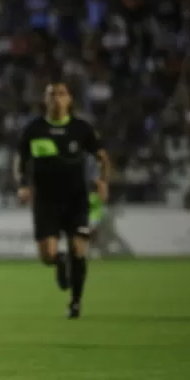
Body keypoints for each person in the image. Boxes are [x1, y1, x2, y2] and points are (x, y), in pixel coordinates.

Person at [14, 81, 111, 319]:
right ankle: (60, 262)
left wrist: (103, 180)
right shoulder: (34, 129)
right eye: (52, 94)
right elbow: (19, 160)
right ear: (45, 100)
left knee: (79, 250)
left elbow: (102, 158)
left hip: (76, 200)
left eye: (61, 94)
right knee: (47, 255)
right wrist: (22, 185)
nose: (57, 98)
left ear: (69, 99)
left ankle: (76, 302)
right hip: (45, 202)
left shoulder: (81, 129)